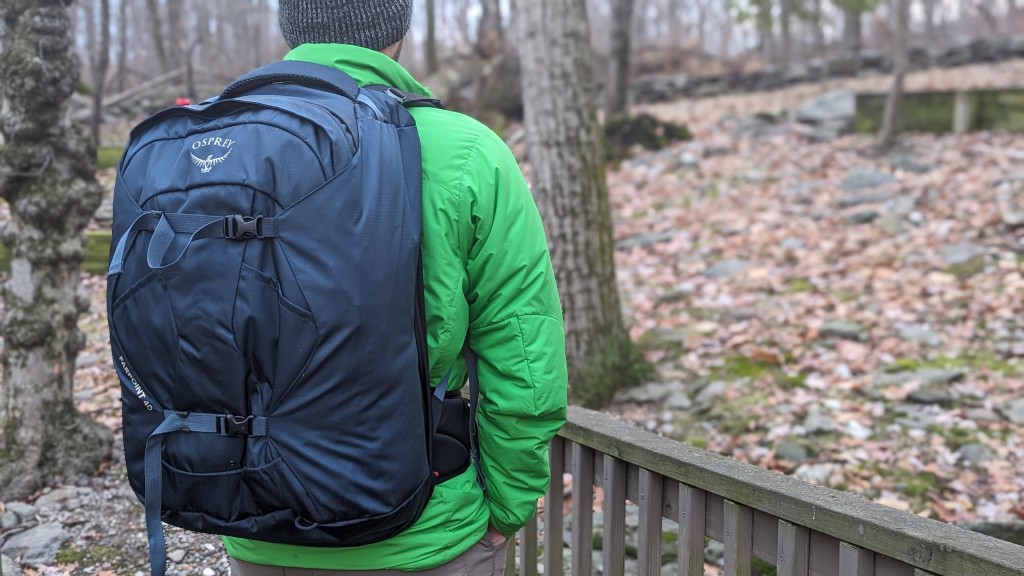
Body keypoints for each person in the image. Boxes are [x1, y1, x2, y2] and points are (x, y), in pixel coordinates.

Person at [223, 1, 569, 574]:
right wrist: (505, 510)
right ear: (398, 29)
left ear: (289, 27)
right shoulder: (467, 152)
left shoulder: (222, 145)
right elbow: (525, 360)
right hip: (424, 533)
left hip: (256, 526)